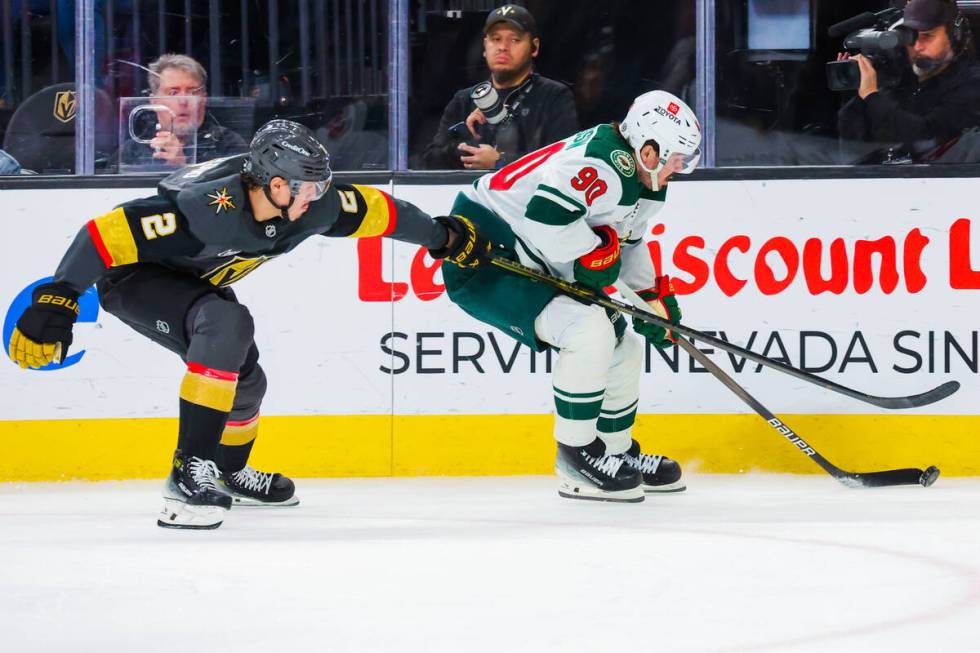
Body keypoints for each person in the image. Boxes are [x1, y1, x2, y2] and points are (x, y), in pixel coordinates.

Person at [8, 120, 489, 529]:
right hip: (133, 279)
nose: (319, 198)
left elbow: (380, 212)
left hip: (192, 283)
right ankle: (185, 472)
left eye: (322, 186)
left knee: (247, 380)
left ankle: (225, 471)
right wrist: (59, 298)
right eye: (309, 188)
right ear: (276, 185)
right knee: (227, 321)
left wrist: (440, 236)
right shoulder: (203, 211)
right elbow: (104, 234)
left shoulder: (312, 206)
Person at [440, 90, 701, 502]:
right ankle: (576, 457)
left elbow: (627, 243)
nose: (679, 170)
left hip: (534, 255)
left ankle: (615, 453)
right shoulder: (602, 163)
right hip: (484, 254)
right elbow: (547, 222)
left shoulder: (641, 176)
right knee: (589, 331)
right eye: (676, 159)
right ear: (648, 151)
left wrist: (650, 299)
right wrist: (594, 255)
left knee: (624, 346)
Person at [421, 4, 579, 170]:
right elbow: (430, 161)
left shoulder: (554, 96)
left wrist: (500, 162)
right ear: (485, 46)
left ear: (534, 47)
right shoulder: (464, 99)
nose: (503, 47)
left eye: (514, 40)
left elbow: (564, 161)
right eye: (496, 39)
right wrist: (464, 148)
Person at [837, 0, 980, 162]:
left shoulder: (972, 84)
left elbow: (925, 137)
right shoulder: (902, 79)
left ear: (955, 35)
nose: (917, 47)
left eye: (928, 36)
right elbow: (854, 148)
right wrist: (854, 91)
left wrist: (870, 96)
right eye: (911, 37)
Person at [119, 53, 248, 170]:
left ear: (203, 99)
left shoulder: (228, 144)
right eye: (173, 93)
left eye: (193, 92)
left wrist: (181, 167)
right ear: (154, 101)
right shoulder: (131, 151)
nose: (183, 101)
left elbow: (232, 192)